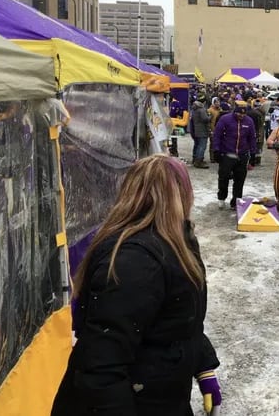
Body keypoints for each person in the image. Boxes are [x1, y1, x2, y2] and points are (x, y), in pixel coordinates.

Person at [52, 154, 222, 416]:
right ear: (178, 195)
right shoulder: (133, 261)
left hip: (161, 394)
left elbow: (179, 319)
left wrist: (203, 364)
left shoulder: (178, 241)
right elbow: (101, 365)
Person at [213, 101, 257, 210]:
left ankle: (236, 201)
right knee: (223, 177)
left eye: (243, 114)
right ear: (234, 112)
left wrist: (253, 153)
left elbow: (252, 138)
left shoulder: (249, 121)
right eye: (239, 114)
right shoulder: (225, 119)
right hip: (227, 153)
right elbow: (217, 135)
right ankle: (222, 198)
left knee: (240, 178)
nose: (241, 116)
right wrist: (216, 150)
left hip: (242, 154)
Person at [188, 100, 210, 168]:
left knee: (197, 145)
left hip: (195, 130)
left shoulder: (194, 109)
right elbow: (205, 119)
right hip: (202, 131)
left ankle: (195, 159)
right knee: (202, 146)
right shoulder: (201, 109)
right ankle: (199, 161)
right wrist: (210, 116)